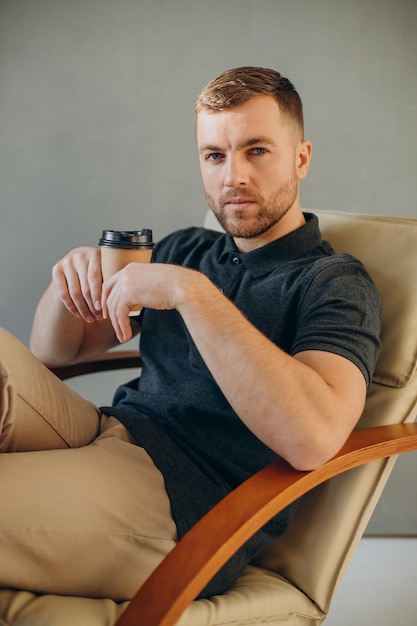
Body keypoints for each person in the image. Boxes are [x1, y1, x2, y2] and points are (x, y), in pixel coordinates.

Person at [0, 66, 381, 601]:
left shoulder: (334, 283)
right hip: (106, 431)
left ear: (301, 157)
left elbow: (314, 437)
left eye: (257, 151)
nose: (233, 177)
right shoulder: (186, 248)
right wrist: (69, 280)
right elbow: (52, 350)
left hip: (185, 501)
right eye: (215, 156)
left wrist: (195, 296)